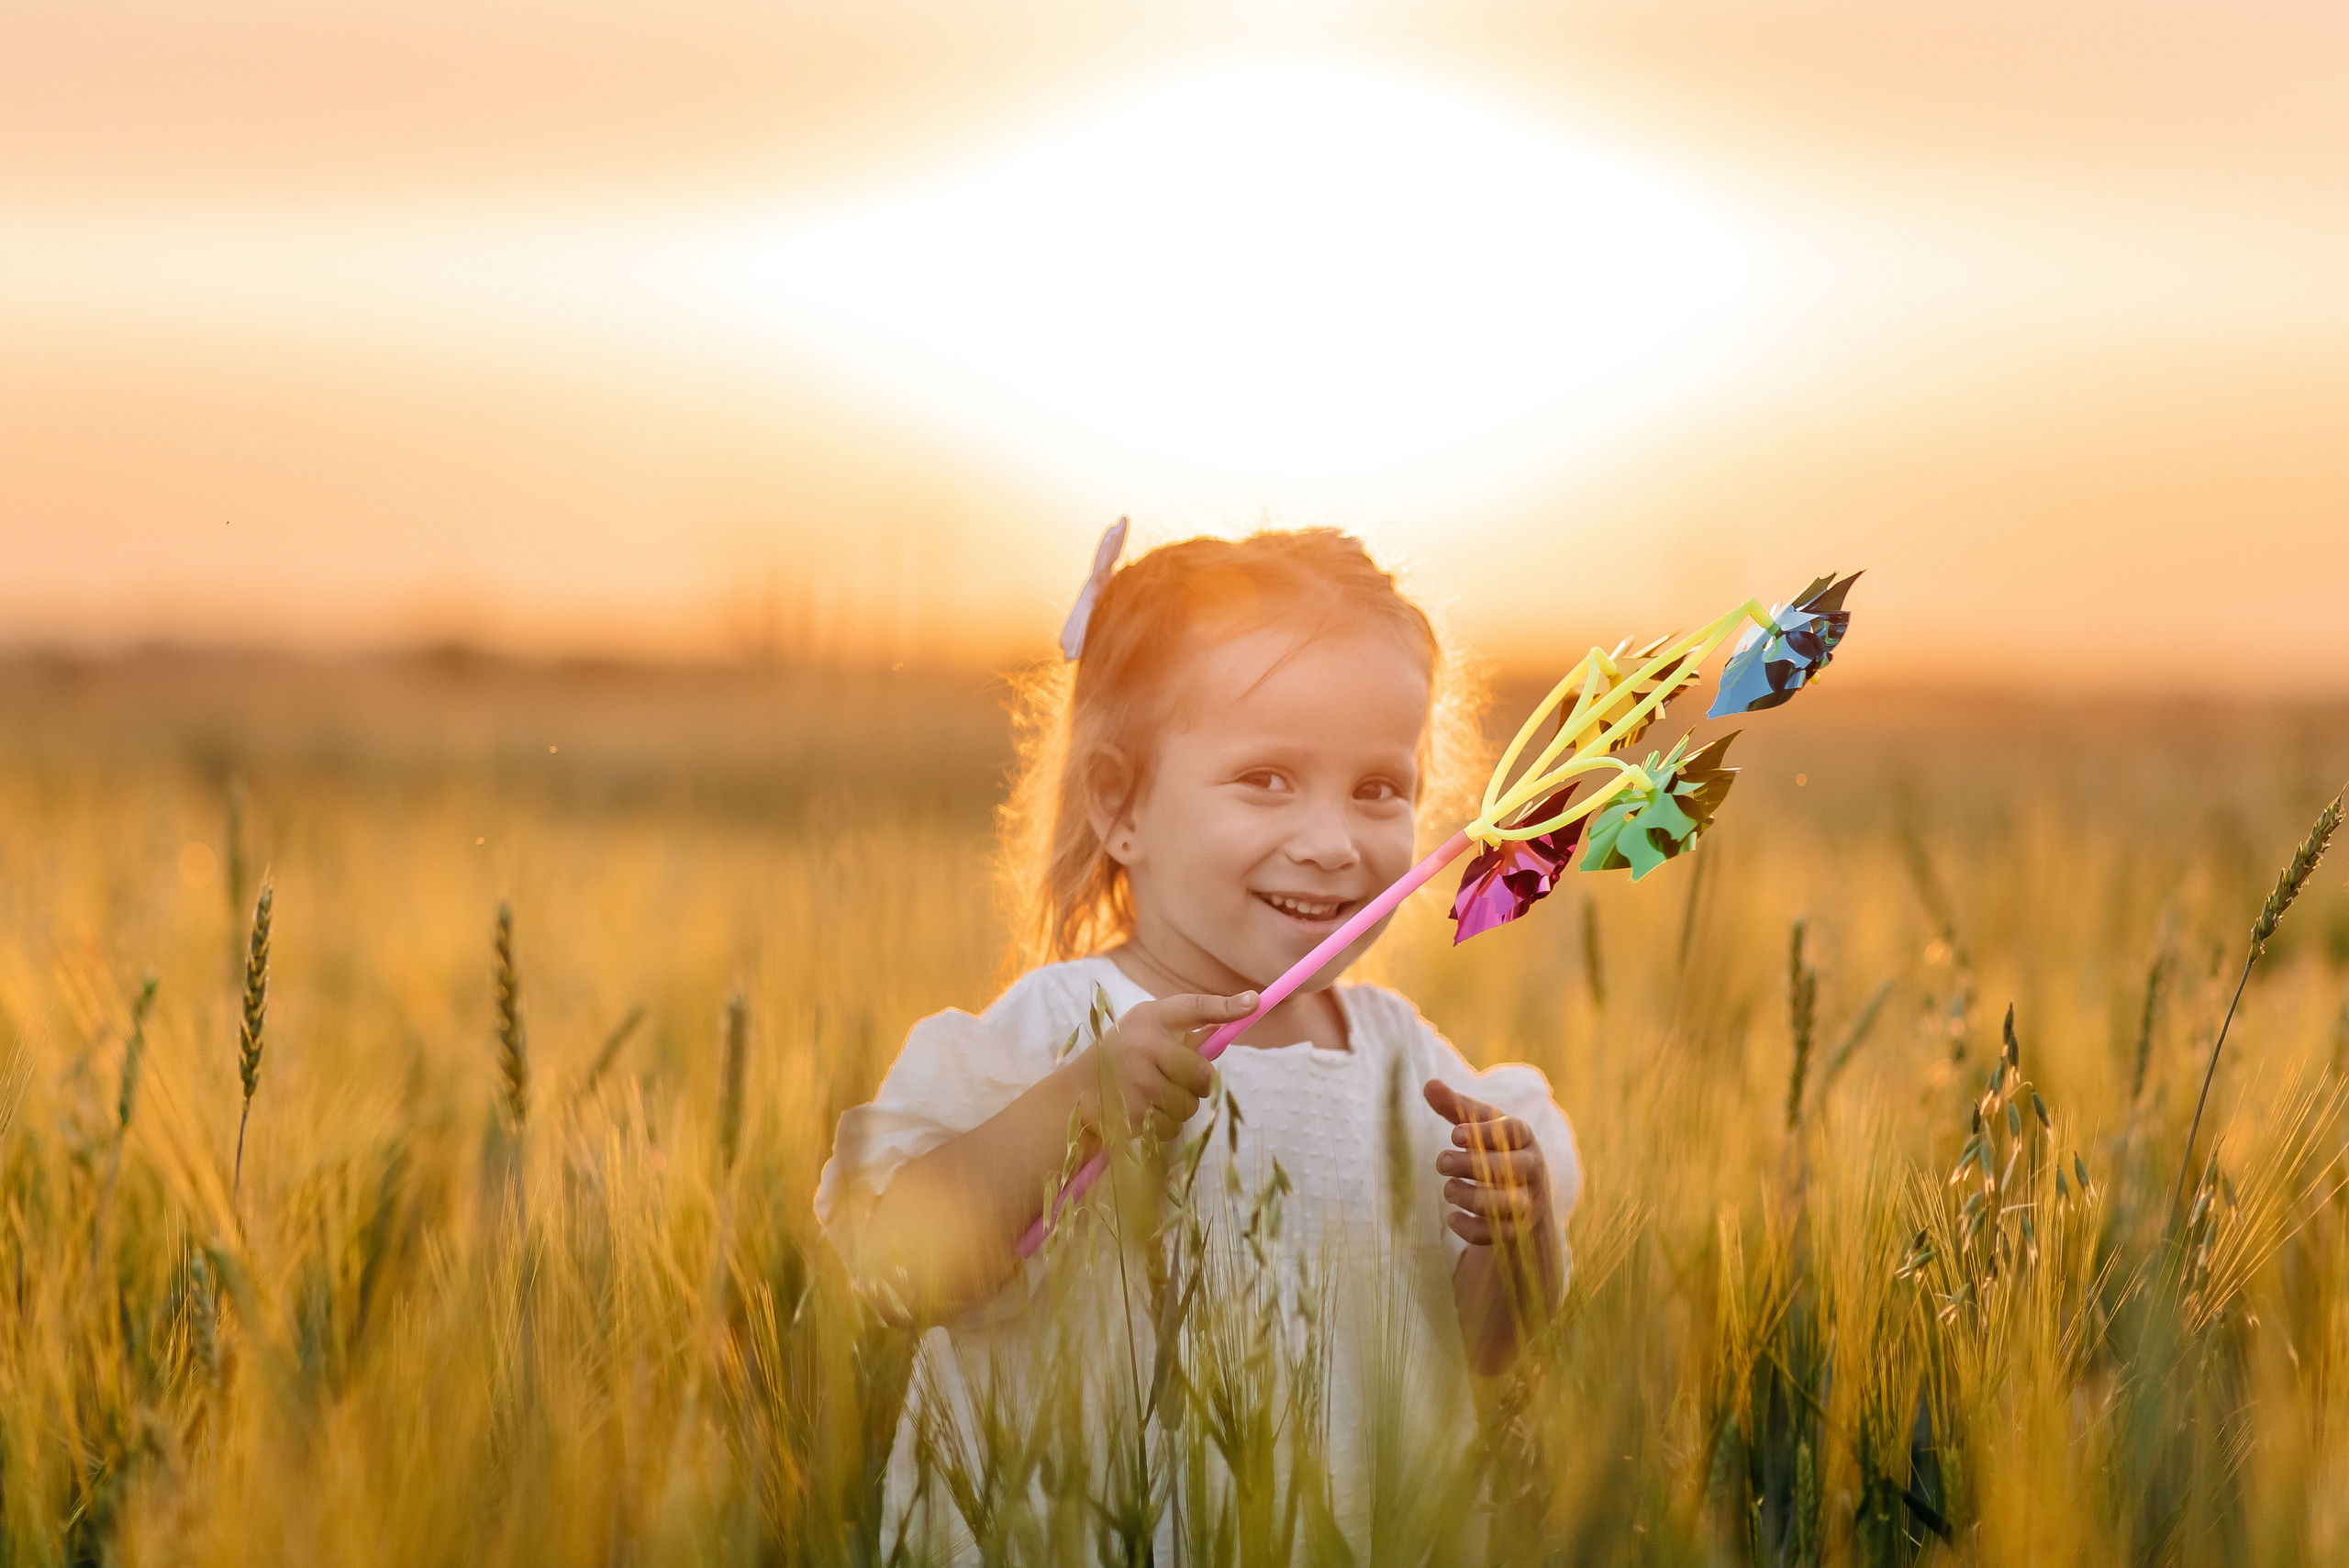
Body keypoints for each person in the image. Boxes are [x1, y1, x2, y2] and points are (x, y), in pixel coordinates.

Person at [816, 525, 1582, 1559]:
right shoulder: (1057, 1031)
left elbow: (1489, 1346)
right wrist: (1080, 1102)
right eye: (1267, 778)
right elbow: (901, 1262)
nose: (1331, 840)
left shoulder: (1407, 1064)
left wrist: (1514, 1234)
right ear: (1120, 804)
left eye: (1378, 788)